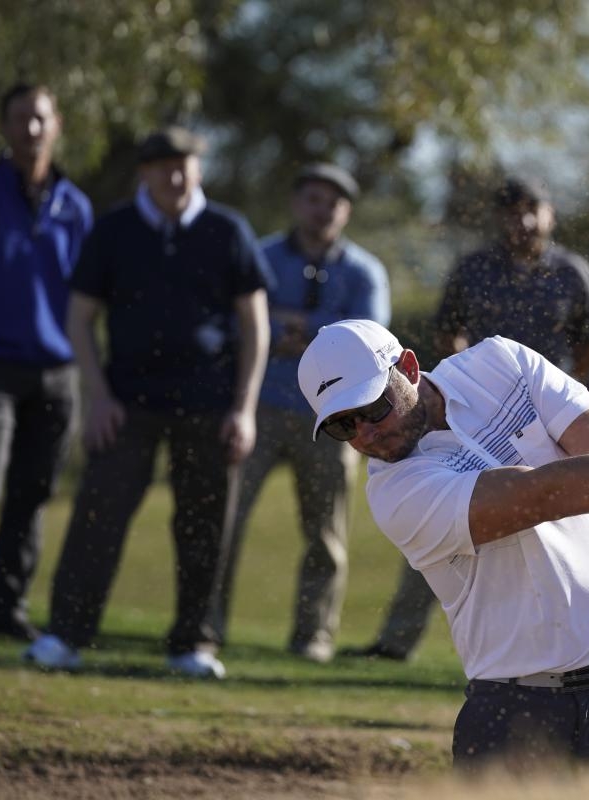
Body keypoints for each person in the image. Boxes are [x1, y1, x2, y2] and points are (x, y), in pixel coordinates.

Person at [297, 318, 589, 768]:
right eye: (343, 425)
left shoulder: (499, 361)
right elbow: (544, 494)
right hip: (515, 714)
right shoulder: (394, 492)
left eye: (374, 407)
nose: (365, 434)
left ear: (408, 367)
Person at [23, 126, 271, 678]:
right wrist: (99, 397)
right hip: (127, 403)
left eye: (184, 164)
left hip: (209, 404)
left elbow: (255, 326)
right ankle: (65, 635)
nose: (174, 175)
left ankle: (193, 644)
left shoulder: (227, 230)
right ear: (144, 173)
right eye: (162, 166)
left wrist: (244, 407)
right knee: (98, 516)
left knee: (204, 524)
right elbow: (80, 319)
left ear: (199, 169)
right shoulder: (113, 230)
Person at [342, 175, 589, 660]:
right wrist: (465, 388)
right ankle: (398, 644)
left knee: (559, 520)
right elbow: (448, 335)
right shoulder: (475, 269)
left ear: (550, 213)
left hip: (539, 413)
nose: (524, 220)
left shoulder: (572, 271)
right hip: (467, 407)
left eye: (533, 208)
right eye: (512, 211)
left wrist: (561, 395)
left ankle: (571, 649)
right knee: (448, 527)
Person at [207, 163, 391, 663]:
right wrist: (319, 333)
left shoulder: (364, 271)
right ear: (296, 203)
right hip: (259, 406)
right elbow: (231, 316)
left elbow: (369, 336)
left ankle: (314, 636)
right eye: (313, 198)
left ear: (346, 211)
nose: (322, 209)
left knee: (326, 536)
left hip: (335, 420)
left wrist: (297, 326)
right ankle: (206, 627)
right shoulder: (261, 254)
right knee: (224, 520)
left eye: (333, 202)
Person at [0, 84, 93, 641]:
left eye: (41, 119)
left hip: (57, 370)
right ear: (6, 126)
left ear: (57, 124)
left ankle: (5, 606)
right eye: (21, 119)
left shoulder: (77, 205)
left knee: (34, 490)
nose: (32, 130)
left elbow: (89, 295)